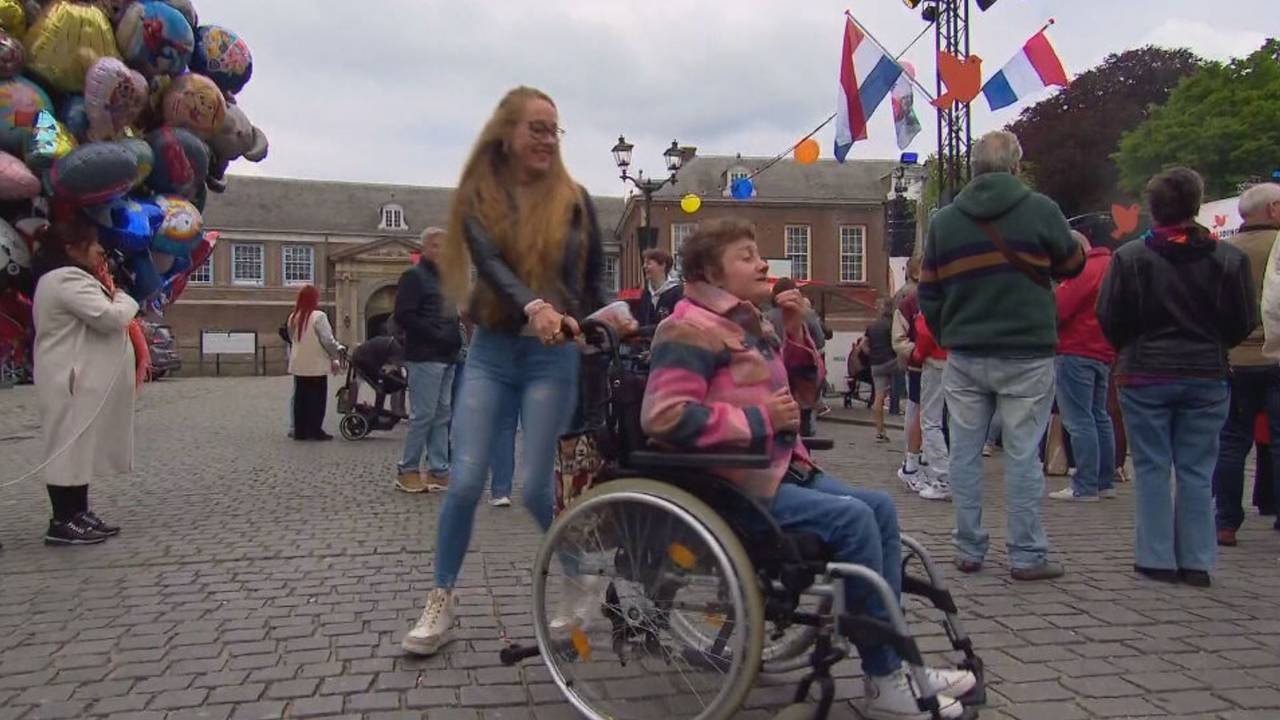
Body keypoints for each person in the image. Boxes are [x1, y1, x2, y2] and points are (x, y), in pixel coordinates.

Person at [642, 219, 974, 720]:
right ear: (710, 271)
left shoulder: (750, 323)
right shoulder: (687, 328)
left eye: (758, 254)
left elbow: (804, 397)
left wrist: (795, 332)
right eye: (746, 256)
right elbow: (663, 416)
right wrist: (760, 419)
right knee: (854, 520)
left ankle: (896, 664)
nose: (762, 264)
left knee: (880, 508)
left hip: (781, 469)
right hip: (732, 486)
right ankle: (886, 677)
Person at [401, 86, 610, 656]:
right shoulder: (480, 197)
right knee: (466, 480)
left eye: (553, 129)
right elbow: (491, 266)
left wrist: (591, 320)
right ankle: (440, 600)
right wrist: (534, 305)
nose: (547, 139)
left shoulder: (576, 200)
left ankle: (580, 575)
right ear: (506, 134)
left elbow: (594, 280)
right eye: (536, 128)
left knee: (538, 488)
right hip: (493, 352)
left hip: (552, 359)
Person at [919, 130, 1085, 581]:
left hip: (966, 353)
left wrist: (950, 333)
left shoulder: (944, 222)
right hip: (1027, 351)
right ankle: (1026, 553)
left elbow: (928, 291)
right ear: (1015, 166)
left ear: (973, 168)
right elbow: (1072, 265)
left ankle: (968, 547)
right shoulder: (1041, 209)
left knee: (964, 453)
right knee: (1023, 454)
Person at [1098, 167, 1256, 587]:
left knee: (1151, 466)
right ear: (1197, 205)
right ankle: (1197, 560)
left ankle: (1156, 558)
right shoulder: (1229, 259)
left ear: (1153, 209)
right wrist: (1213, 345)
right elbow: (1242, 319)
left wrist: (1130, 348)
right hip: (1206, 373)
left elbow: (1109, 316)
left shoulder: (1130, 258)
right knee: (1197, 469)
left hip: (1144, 372)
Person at [32, 217, 141, 545]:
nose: (99, 251)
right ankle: (63, 519)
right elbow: (109, 317)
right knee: (68, 447)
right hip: (70, 378)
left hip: (77, 378)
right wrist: (126, 298)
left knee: (80, 447)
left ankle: (78, 511)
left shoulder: (71, 278)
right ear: (72, 248)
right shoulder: (65, 279)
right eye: (93, 245)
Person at [1214, 183, 1280, 545]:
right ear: (1272, 209)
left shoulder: (1224, 251)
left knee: (1232, 442)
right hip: (1276, 355)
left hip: (1236, 359)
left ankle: (1226, 523)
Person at [1048, 231, 1117, 502]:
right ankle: (1104, 481)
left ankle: (1085, 485)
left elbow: (1058, 309)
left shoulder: (1084, 271)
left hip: (1075, 350)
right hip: (1103, 351)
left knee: (1079, 419)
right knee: (1100, 416)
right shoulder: (1109, 266)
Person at [395, 228, 463, 493]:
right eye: (436, 246)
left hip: (446, 356)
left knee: (442, 415)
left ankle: (438, 470)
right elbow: (404, 315)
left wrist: (453, 338)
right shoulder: (413, 277)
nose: (442, 251)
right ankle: (407, 470)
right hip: (425, 356)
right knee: (423, 415)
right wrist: (436, 335)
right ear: (424, 248)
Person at [287, 285, 344, 441]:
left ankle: (300, 430)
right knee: (317, 398)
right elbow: (327, 340)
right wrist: (336, 354)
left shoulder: (293, 316)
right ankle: (315, 429)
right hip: (316, 363)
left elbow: (292, 338)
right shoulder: (319, 316)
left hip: (299, 363)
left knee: (301, 397)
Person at [891, 257, 927, 489]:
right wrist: (917, 352)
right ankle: (913, 460)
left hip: (931, 363)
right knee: (919, 411)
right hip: (920, 364)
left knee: (924, 413)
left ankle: (919, 459)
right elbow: (899, 337)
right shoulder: (910, 298)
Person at [911, 310, 950, 500]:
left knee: (930, 421)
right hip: (960, 361)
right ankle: (962, 479)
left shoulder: (934, 301)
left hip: (936, 361)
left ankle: (943, 480)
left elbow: (925, 333)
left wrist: (918, 354)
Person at [865, 300, 896, 443]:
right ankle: (896, 404)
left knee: (878, 397)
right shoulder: (892, 324)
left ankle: (880, 432)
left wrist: (871, 354)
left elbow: (863, 345)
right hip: (891, 361)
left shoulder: (872, 326)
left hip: (875, 364)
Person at [636, 247, 682, 331]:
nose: (644, 266)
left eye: (648, 263)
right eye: (644, 263)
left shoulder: (677, 293)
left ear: (662, 265)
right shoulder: (645, 294)